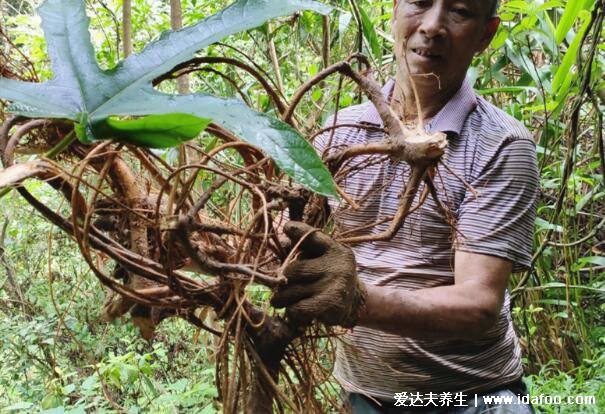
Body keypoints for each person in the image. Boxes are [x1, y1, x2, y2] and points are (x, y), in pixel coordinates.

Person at [271, 0, 539, 413]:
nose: (432, 26)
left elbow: (478, 304)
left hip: (469, 400)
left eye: (460, 11)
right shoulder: (339, 132)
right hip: (365, 396)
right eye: (419, 2)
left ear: (486, 35)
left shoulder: (502, 144)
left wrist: (357, 300)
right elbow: (283, 245)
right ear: (394, 11)